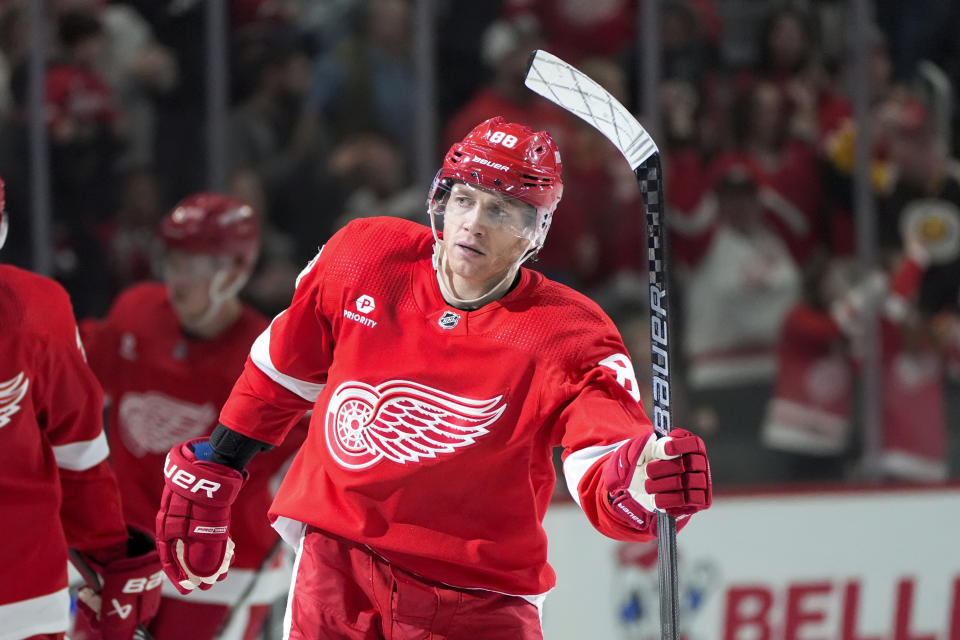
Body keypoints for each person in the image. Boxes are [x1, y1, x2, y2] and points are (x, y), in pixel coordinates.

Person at [154, 117, 713, 639]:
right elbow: (281, 371)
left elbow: (606, 461)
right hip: (339, 568)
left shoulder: (569, 335)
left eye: (501, 210)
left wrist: (646, 476)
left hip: (480, 602)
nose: (472, 223)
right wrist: (220, 464)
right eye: (464, 200)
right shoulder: (364, 258)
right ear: (438, 201)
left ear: (534, 233)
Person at [78, 194, 305, 640]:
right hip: (124, 554)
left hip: (219, 568)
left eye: (198, 267)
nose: (179, 281)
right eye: (175, 261)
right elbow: (74, 373)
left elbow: (302, 464)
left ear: (237, 272)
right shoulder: (137, 312)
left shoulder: (271, 354)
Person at [0, 178, 161, 640]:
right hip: (23, 594)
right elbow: (79, 457)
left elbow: (79, 455)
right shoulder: (36, 310)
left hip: (22, 594)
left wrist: (109, 551)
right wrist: (108, 554)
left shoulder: (35, 313)